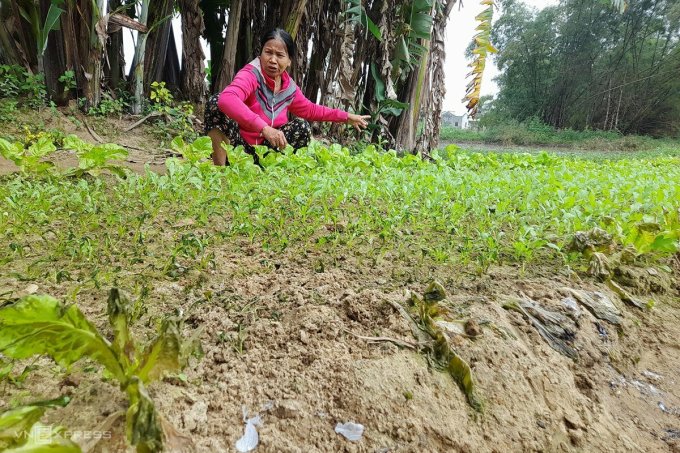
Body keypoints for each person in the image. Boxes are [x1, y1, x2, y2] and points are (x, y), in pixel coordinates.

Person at [204, 28, 371, 166]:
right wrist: (264, 128)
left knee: (302, 127)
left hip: (267, 153)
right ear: (260, 53)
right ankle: (222, 172)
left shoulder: (288, 86)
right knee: (215, 103)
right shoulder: (250, 74)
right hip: (239, 150)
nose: (273, 60)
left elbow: (310, 110)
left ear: (289, 60)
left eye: (280, 55)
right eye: (268, 52)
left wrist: (345, 116)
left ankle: (273, 170)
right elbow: (226, 99)